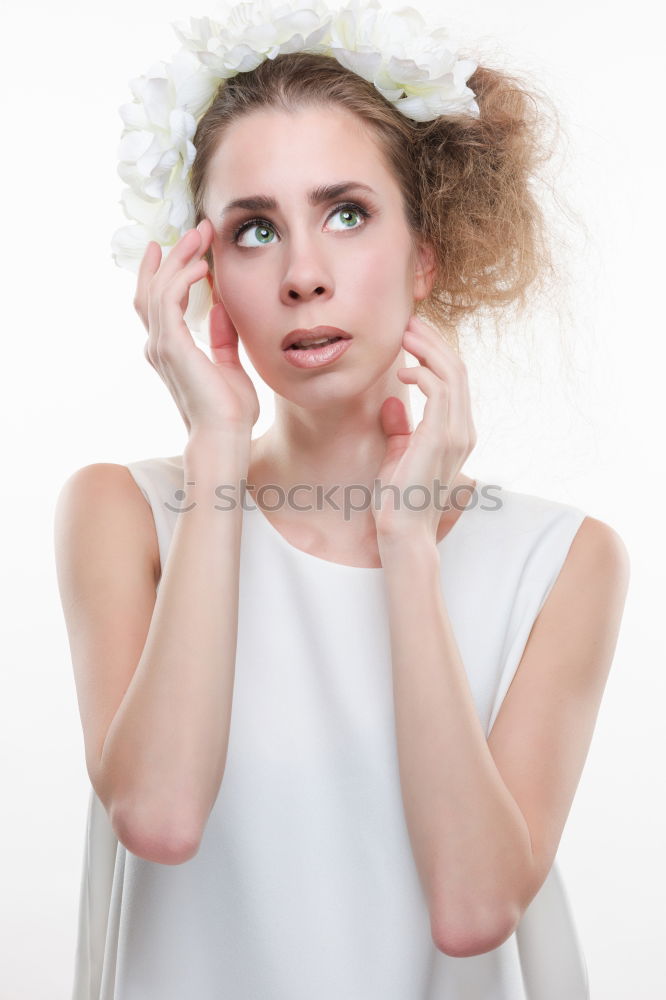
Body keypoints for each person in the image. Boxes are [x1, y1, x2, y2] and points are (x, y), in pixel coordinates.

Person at [54, 2, 630, 997]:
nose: (304, 275)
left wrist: (408, 542)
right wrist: (218, 448)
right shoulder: (124, 514)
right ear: (204, 275)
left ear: (425, 253)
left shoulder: (562, 559)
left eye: (347, 212)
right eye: (255, 230)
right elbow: (160, 816)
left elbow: (473, 910)